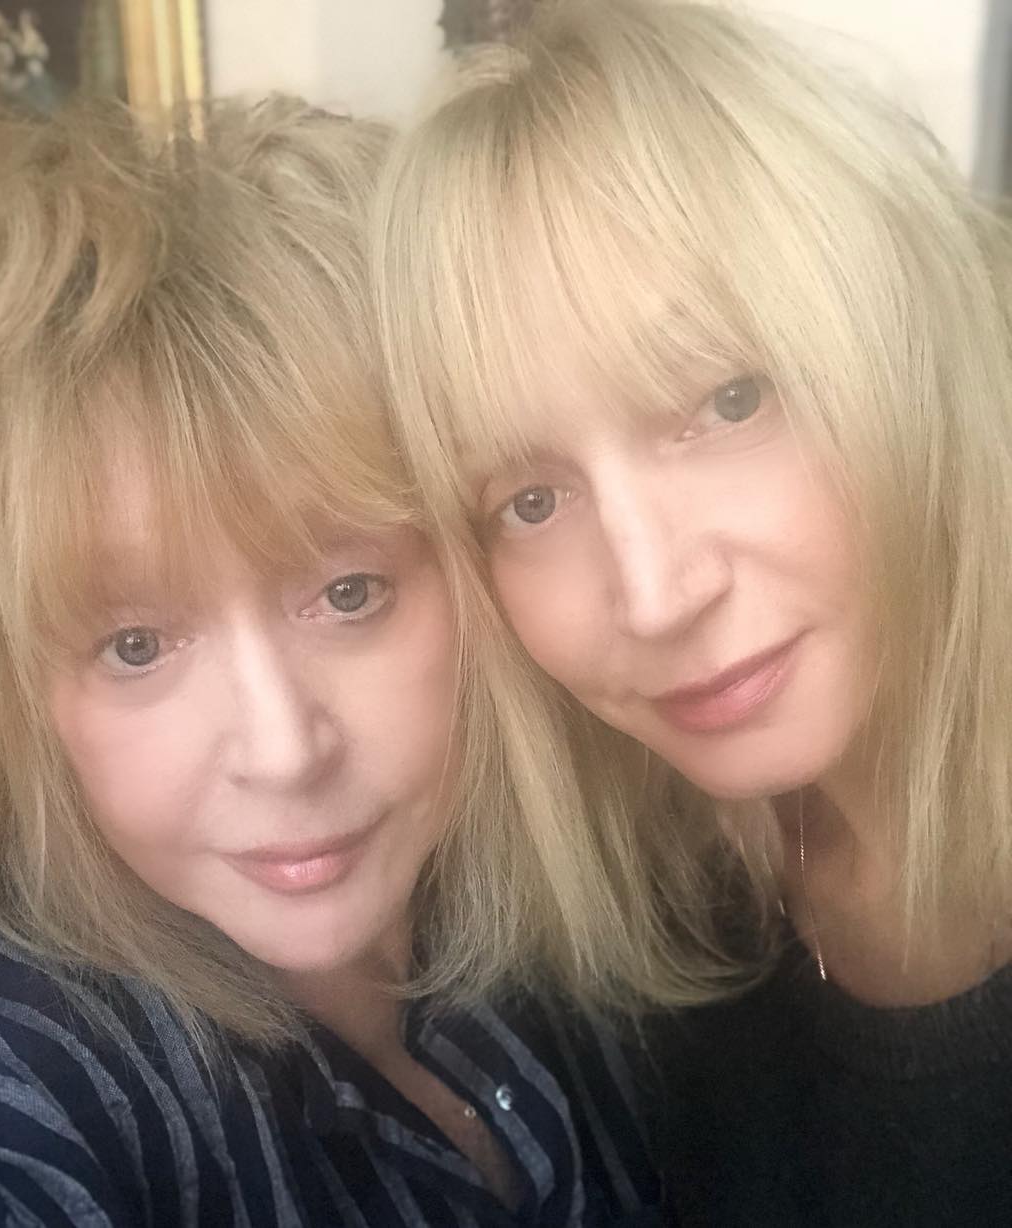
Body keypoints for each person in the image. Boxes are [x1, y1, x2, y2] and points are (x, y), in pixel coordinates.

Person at [0, 100, 663, 1225]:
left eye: (349, 593)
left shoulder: (584, 909)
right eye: (136, 646)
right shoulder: (19, 1074)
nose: (284, 752)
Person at [373, 0, 1012, 1222]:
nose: (656, 595)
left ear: (906, 338)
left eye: (727, 401)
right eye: (531, 500)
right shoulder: (665, 898)